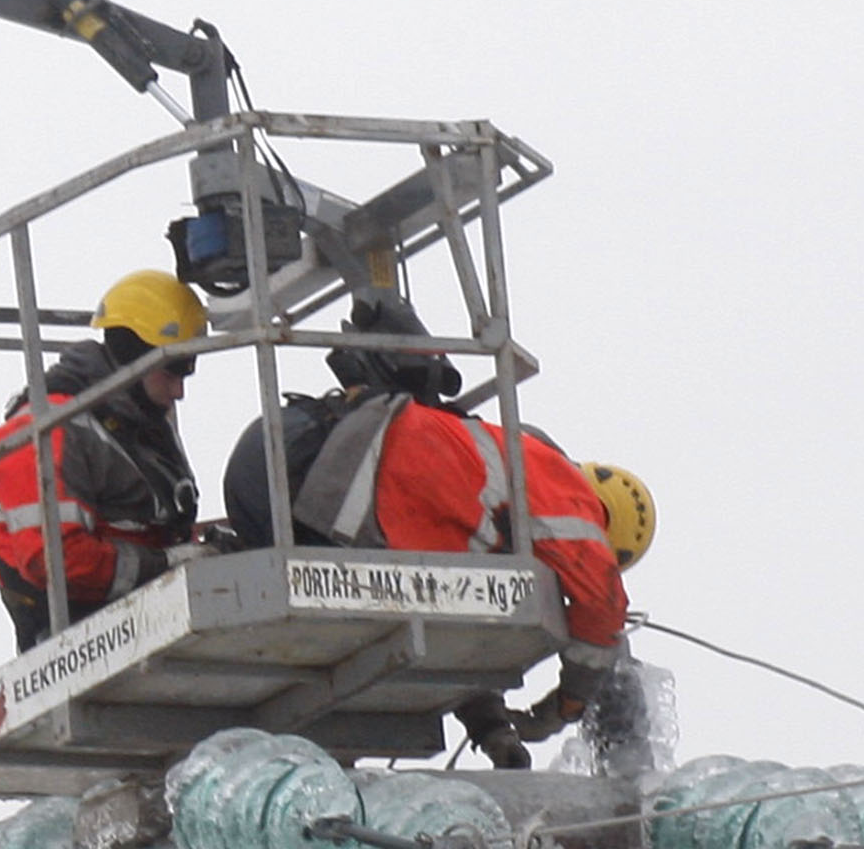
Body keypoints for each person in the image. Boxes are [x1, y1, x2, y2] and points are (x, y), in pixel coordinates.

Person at [214, 289, 641, 756]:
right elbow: (601, 603)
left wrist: (491, 731)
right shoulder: (565, 493)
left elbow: (451, 626)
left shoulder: (492, 505)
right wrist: (565, 708)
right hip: (325, 485)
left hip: (284, 475)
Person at [0, 269, 205, 652]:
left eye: (188, 370)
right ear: (137, 358)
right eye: (174, 370)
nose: (179, 390)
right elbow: (55, 560)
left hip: (144, 613)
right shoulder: (46, 431)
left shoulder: (134, 424)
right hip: (76, 633)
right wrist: (166, 565)